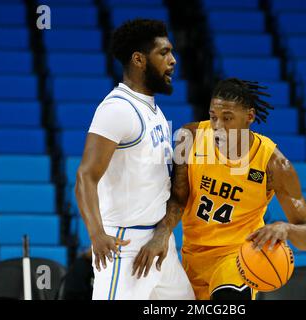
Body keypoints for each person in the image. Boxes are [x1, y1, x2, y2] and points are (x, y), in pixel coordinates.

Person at [132, 78, 306, 300]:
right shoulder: (190, 138)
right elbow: (177, 198)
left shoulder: (274, 165)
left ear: (249, 117)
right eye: (214, 117)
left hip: (237, 259)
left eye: (228, 118)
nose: (218, 127)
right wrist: (162, 233)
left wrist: (286, 228)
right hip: (192, 255)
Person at [75, 19, 194, 300]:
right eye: (163, 53)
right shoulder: (117, 110)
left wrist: (163, 234)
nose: (173, 60)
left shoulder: (154, 111)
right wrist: (97, 235)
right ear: (139, 59)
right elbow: (85, 177)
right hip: (125, 247)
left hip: (159, 243)